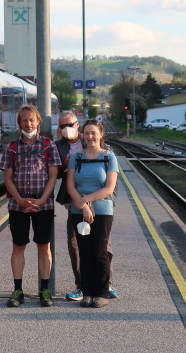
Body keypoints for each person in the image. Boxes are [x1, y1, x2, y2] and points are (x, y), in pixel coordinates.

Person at [0, 105, 61, 307]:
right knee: (18, 246)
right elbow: (7, 178)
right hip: (18, 205)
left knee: (44, 246)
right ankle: (18, 290)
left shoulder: (48, 146)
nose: (28, 123)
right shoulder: (11, 147)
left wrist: (42, 200)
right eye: (24, 120)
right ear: (19, 123)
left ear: (38, 122)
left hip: (43, 204)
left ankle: (44, 290)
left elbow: (53, 176)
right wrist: (19, 199)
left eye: (32, 120)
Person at [55, 115, 118, 302]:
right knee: (84, 251)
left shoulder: (109, 157)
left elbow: (108, 188)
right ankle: (88, 292)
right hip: (78, 211)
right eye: (87, 133)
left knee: (99, 251)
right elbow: (70, 185)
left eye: (93, 133)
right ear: (82, 135)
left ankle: (102, 292)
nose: (90, 137)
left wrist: (85, 202)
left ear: (101, 135)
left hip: (102, 211)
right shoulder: (77, 157)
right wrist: (82, 205)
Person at [53, 111, 84, 301]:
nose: (66, 129)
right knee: (74, 242)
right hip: (72, 199)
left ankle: (105, 282)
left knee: (101, 242)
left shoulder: (91, 138)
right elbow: (54, 174)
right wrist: (63, 168)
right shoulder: (57, 146)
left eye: (69, 125)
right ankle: (80, 284)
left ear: (77, 124)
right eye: (62, 126)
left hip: (96, 199)